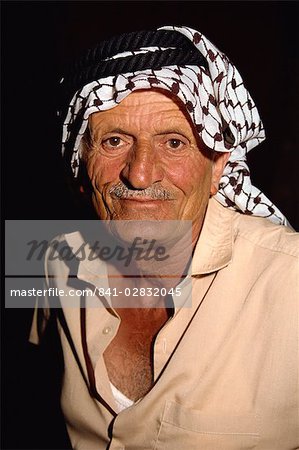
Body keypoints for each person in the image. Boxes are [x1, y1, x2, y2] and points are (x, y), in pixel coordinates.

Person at [30, 26, 298, 449]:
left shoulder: (290, 282)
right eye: (114, 141)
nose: (139, 174)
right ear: (81, 167)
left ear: (218, 169)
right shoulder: (50, 258)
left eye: (174, 143)